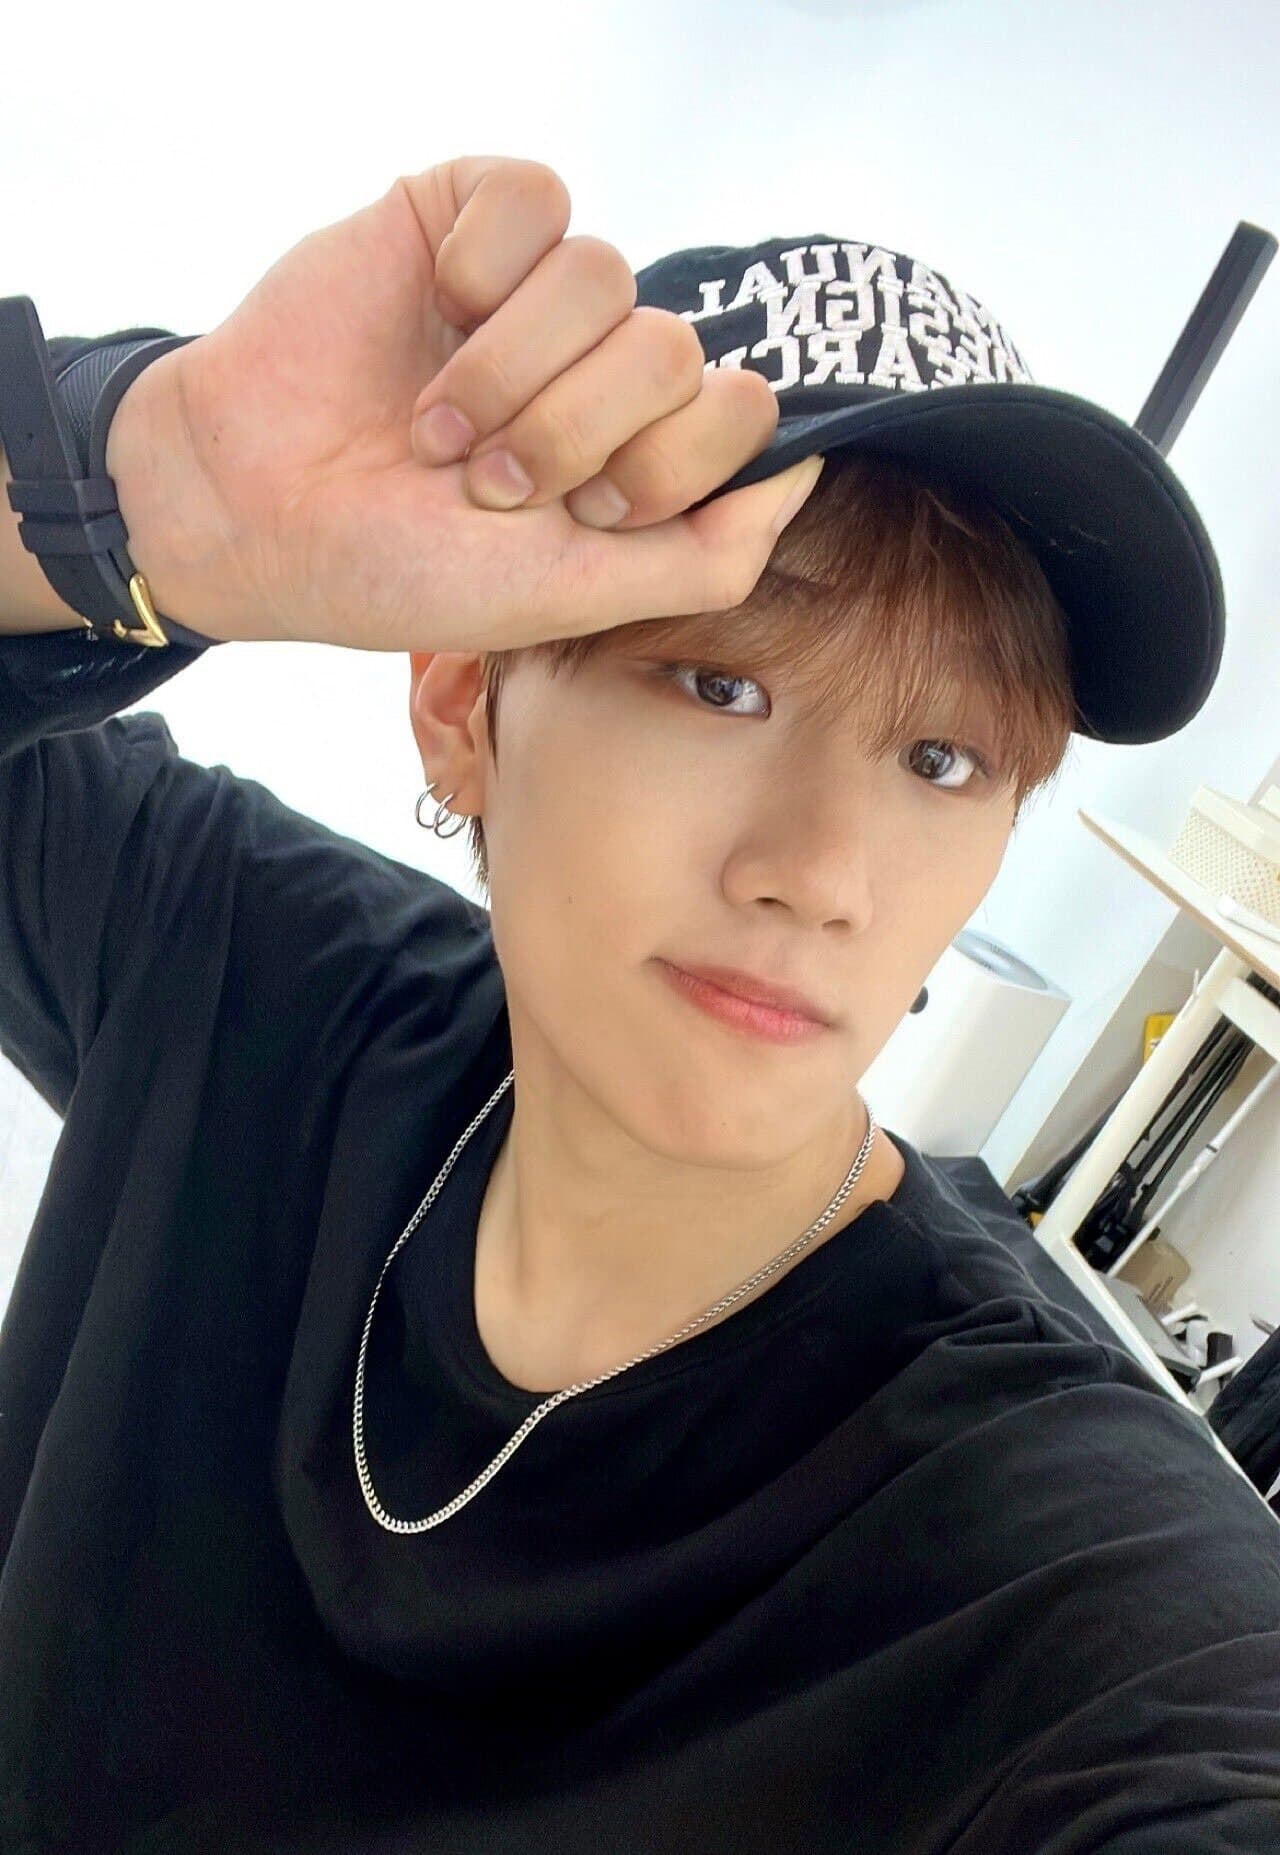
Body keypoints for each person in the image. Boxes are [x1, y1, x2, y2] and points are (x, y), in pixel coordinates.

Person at [0, 156, 1277, 1854]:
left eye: (941, 758)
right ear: (463, 701)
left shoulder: (1043, 1556)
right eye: (720, 681)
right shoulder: (241, 961)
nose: (822, 874)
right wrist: (150, 494)